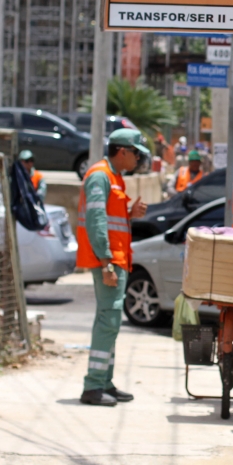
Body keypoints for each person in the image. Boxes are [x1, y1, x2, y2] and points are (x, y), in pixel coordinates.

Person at [77, 129, 150, 406]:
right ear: (122, 152)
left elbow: (109, 220)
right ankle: (93, 386)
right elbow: (96, 222)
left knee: (111, 321)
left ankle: (104, 382)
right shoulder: (100, 177)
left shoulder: (114, 178)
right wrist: (106, 262)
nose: (138, 159)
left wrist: (130, 215)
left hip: (116, 259)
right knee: (108, 320)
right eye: (136, 153)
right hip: (108, 261)